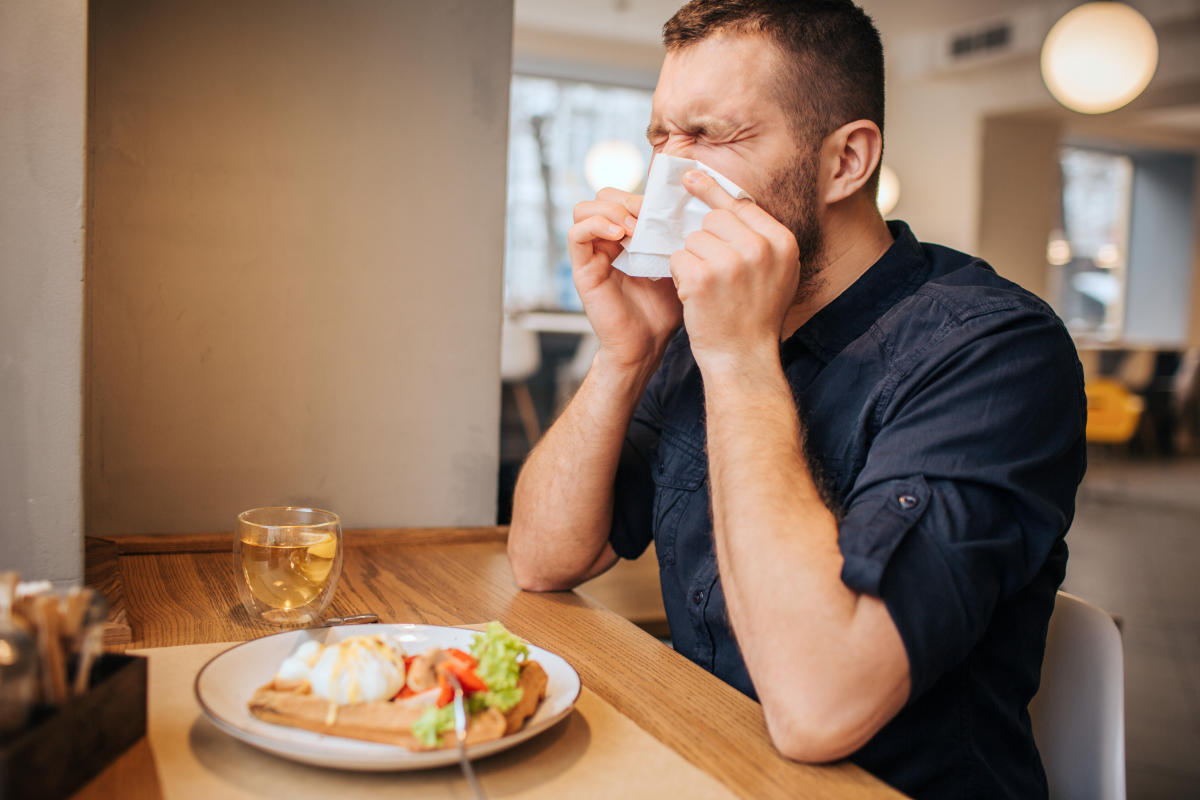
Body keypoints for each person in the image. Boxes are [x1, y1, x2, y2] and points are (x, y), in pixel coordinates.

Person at [506, 1, 1086, 797]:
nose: (666, 176)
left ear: (846, 161)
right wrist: (625, 354)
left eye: (711, 136)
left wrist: (741, 361)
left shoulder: (992, 352)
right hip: (705, 759)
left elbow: (819, 710)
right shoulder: (697, 325)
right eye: (660, 139)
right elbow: (542, 559)